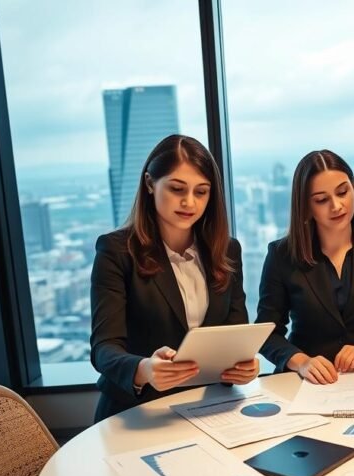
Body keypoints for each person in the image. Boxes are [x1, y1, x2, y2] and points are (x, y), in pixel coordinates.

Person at [90, 135, 258, 422]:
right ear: (149, 184)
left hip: (211, 408)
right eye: (177, 188)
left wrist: (244, 367)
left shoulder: (227, 249)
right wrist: (145, 369)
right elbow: (104, 349)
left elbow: (234, 332)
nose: (189, 202)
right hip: (138, 412)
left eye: (201, 192)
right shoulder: (116, 251)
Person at [256, 149, 354, 384]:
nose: (337, 206)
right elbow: (266, 333)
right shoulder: (281, 255)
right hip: (305, 381)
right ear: (306, 206)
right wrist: (302, 362)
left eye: (342, 192)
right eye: (321, 200)